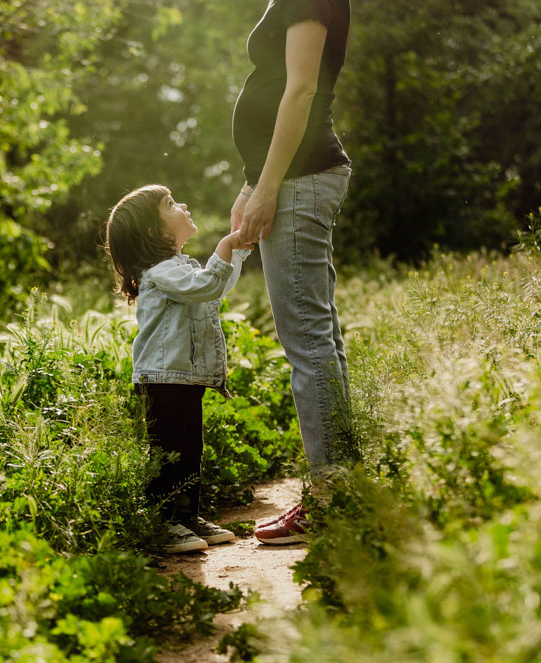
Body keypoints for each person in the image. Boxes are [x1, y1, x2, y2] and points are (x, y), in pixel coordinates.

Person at [230, 0, 355, 545]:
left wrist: (268, 186)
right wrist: (251, 183)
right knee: (320, 337)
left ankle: (330, 500)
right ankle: (343, 486)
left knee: (307, 340)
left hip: (300, 181)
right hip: (295, 179)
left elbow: (301, 89)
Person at [105, 184, 253, 554]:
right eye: (170, 204)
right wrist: (223, 246)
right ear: (156, 233)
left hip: (182, 378)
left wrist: (233, 253)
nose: (182, 204)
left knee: (189, 450)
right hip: (161, 380)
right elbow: (206, 287)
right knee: (167, 453)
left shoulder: (178, 269)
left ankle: (186, 516)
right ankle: (163, 521)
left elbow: (212, 287)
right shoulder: (160, 272)